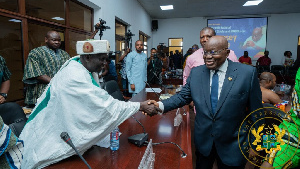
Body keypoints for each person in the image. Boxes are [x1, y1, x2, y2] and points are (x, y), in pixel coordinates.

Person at [19, 39, 161, 168]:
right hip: (46, 138)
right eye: (102, 59)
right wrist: (139, 106)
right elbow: (105, 106)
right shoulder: (75, 76)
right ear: (87, 57)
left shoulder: (82, 66)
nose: (105, 63)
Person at [152, 36, 263, 168]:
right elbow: (182, 97)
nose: (208, 56)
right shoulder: (197, 72)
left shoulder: (246, 73)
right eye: (206, 52)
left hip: (233, 145)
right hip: (204, 143)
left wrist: (257, 144)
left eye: (214, 52)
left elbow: (257, 112)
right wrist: (159, 105)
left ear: (227, 53)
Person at [259, 70, 300, 169]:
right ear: (269, 81)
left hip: (262, 131)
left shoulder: (254, 90)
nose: (275, 83)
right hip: (274, 130)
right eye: (274, 81)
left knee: (268, 156)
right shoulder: (270, 94)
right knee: (272, 162)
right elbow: (283, 109)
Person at [23, 31, 70, 107]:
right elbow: (38, 74)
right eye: (54, 40)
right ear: (46, 39)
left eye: (59, 40)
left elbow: (69, 70)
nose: (57, 42)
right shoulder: (35, 53)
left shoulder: (64, 54)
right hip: (40, 93)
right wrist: (57, 83)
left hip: (60, 92)